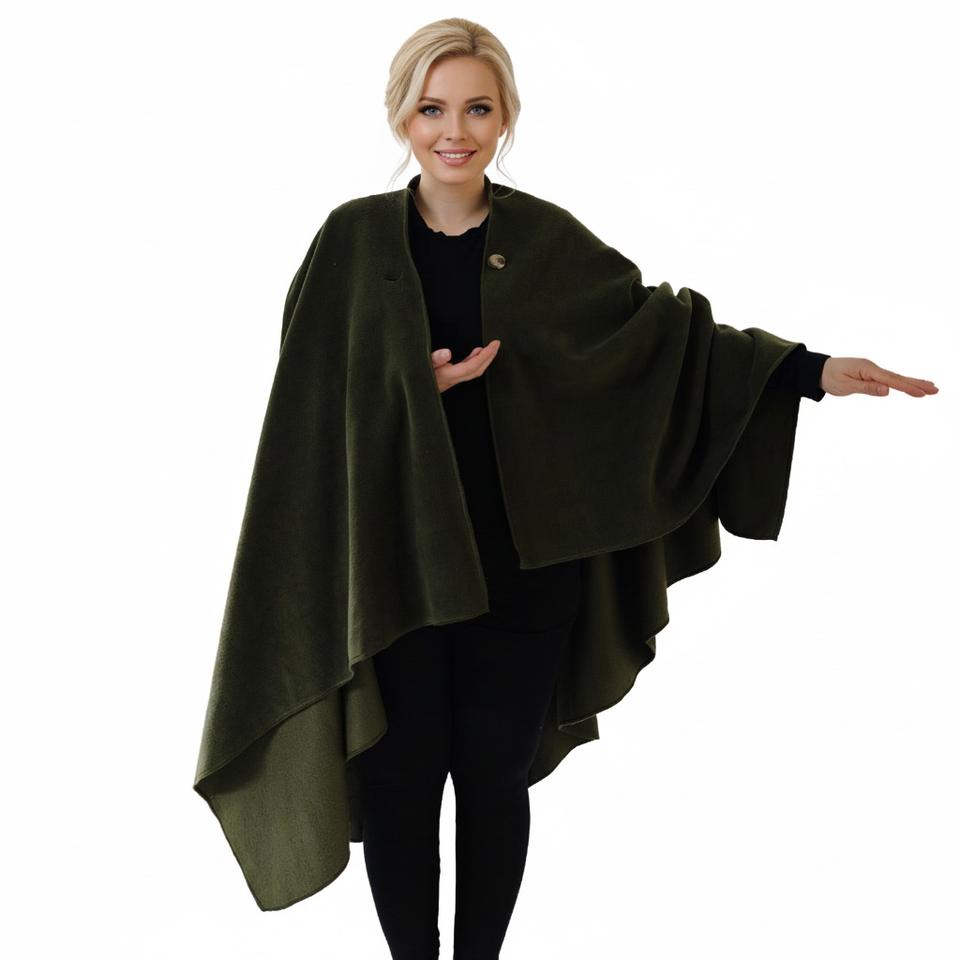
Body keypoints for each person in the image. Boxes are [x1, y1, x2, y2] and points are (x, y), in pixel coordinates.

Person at [192, 15, 939, 956]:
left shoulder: (544, 239)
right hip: (393, 564)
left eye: (477, 108)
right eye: (431, 109)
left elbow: (657, 340)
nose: (454, 131)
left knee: (493, 780)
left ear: (505, 116)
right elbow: (306, 408)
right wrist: (410, 388)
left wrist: (810, 369)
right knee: (399, 781)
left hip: (522, 567)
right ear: (401, 117)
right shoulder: (349, 241)